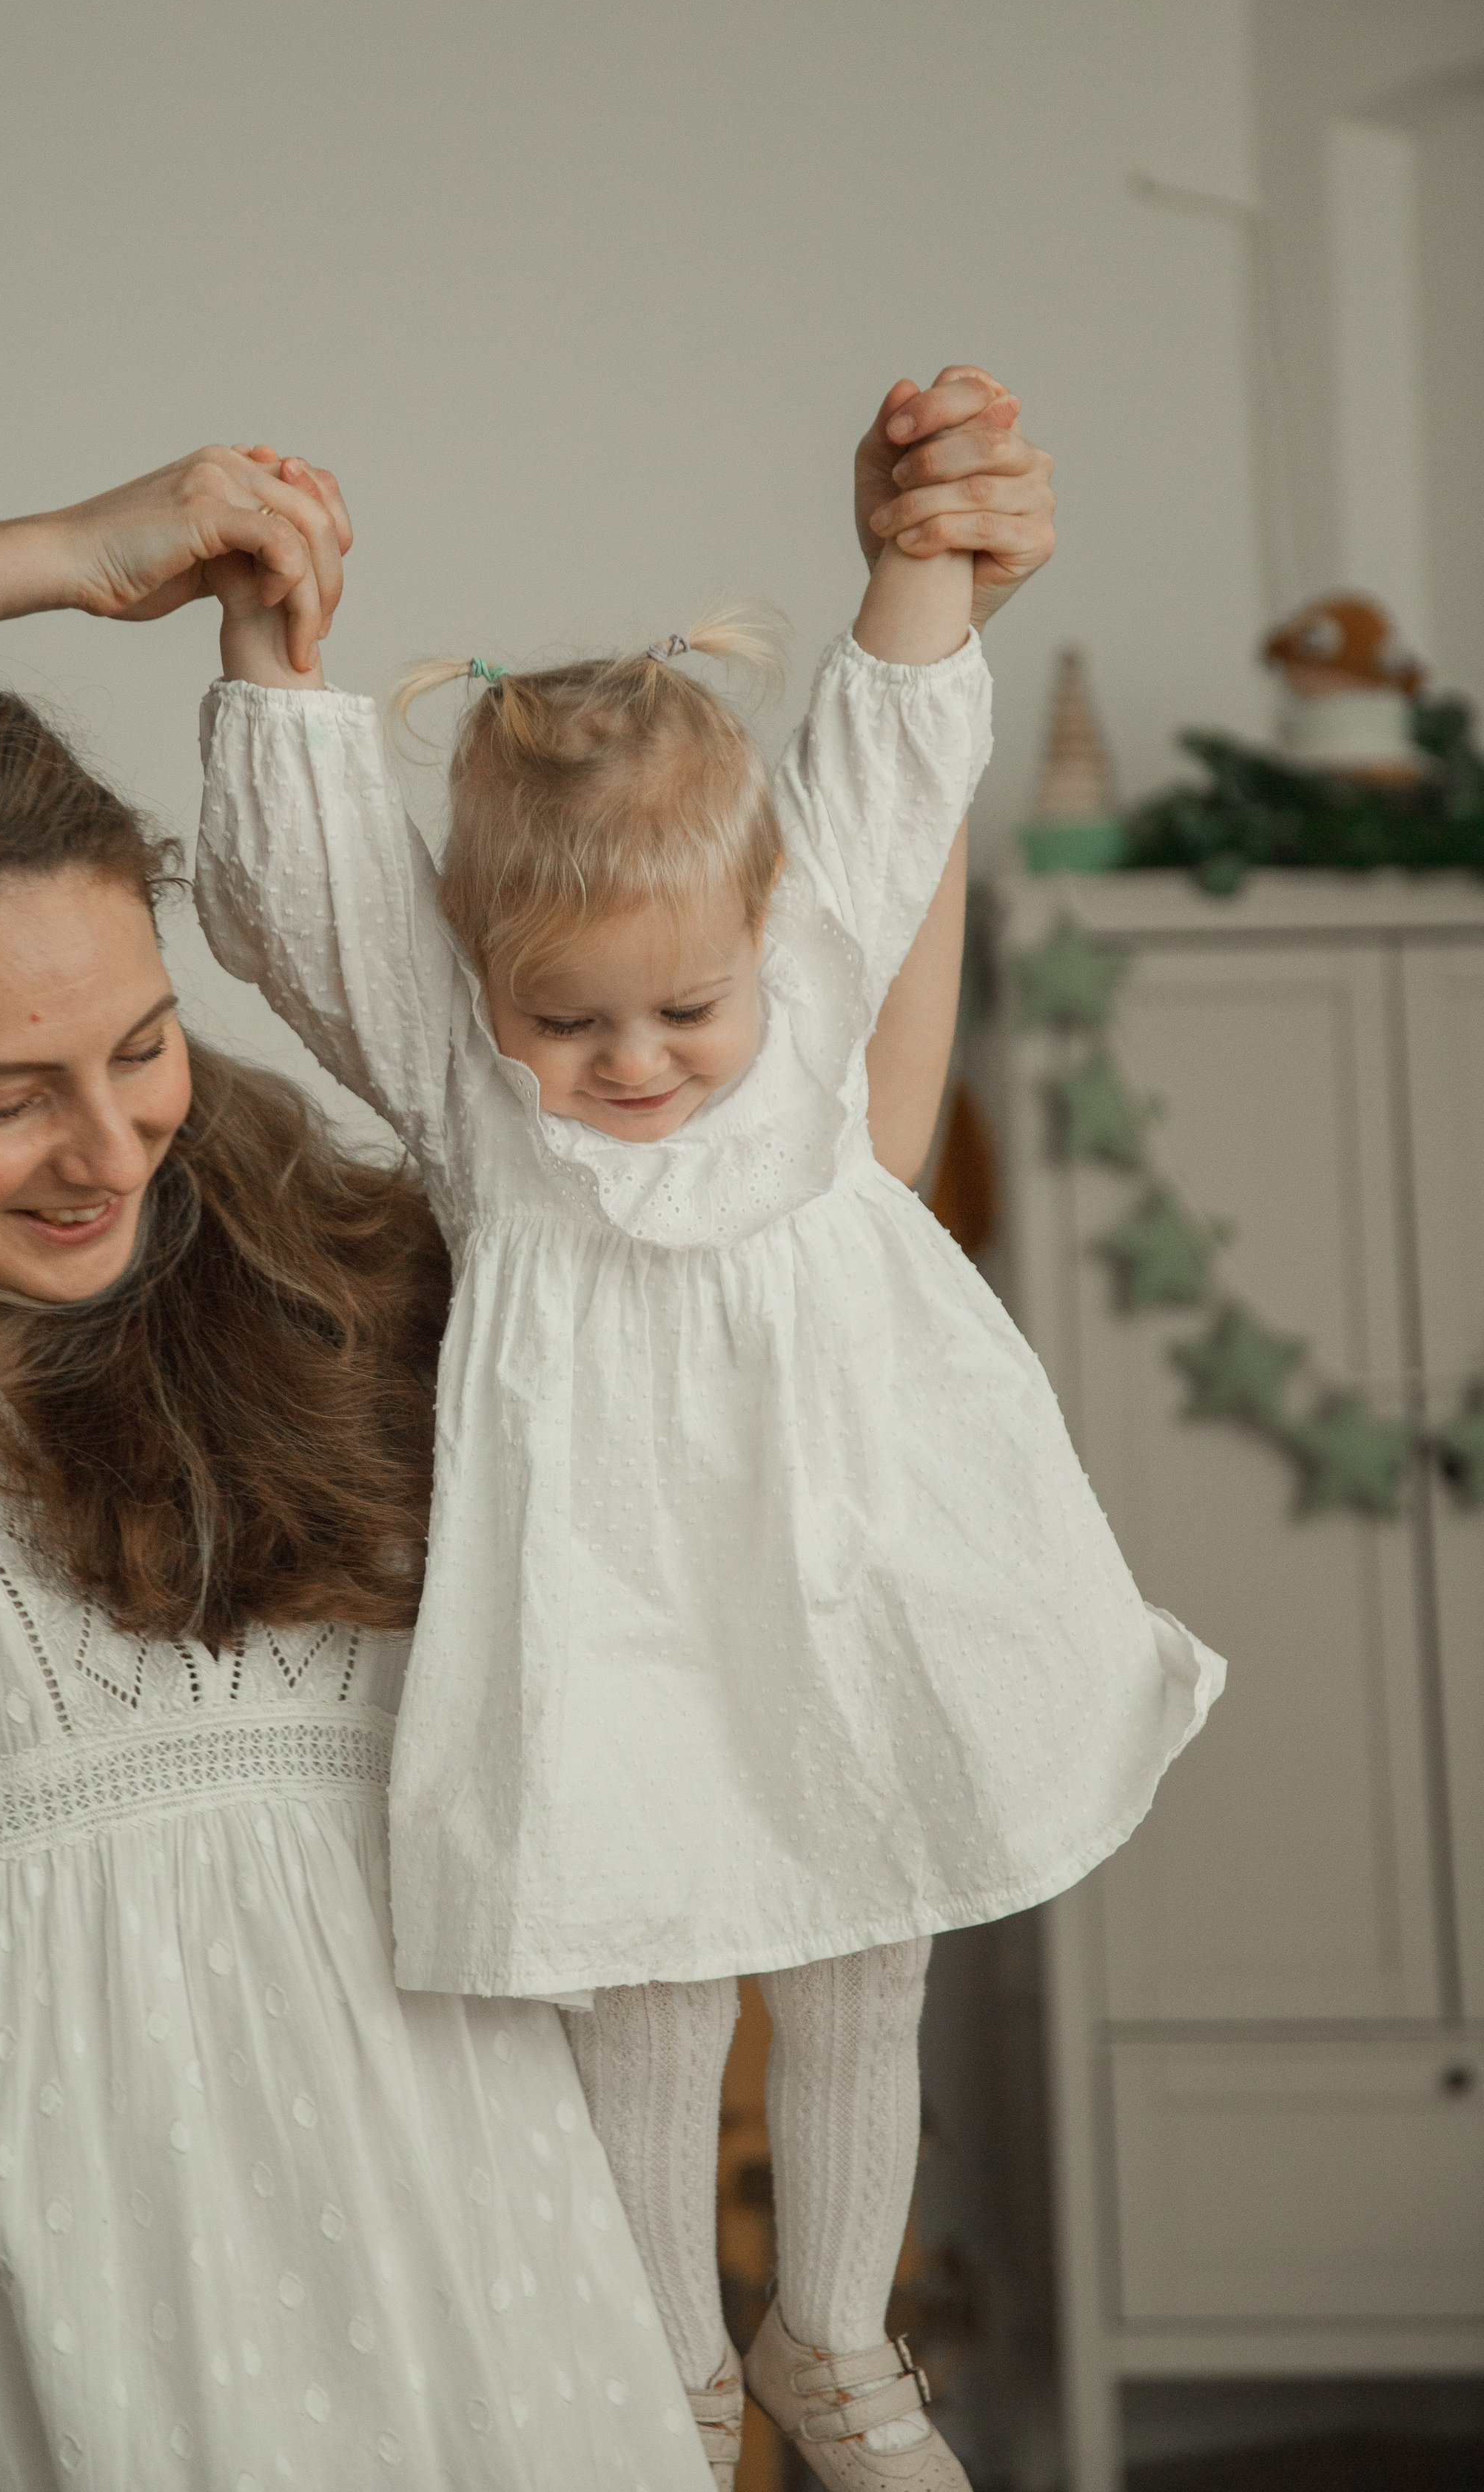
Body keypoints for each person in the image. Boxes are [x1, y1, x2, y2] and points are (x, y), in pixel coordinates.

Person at [0, 383, 1048, 2488]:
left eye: (142, 1045)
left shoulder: (347, 1277)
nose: (105, 1147)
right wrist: (18, 563)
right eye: (5, 1098)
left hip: (488, 2297)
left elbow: (824, 1189)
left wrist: (935, 621)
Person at [195, 371, 1224, 2490]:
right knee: (642, 1976)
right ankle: (666, 2374)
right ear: (481, 990)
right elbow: (304, 898)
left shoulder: (821, 949)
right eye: (565, 1021)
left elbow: (893, 736)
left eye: (685, 1011)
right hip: (616, 1598)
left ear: (766, 939)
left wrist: (918, 551)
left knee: (870, 1929)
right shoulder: (474, 1086)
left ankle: (833, 2337)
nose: (634, 1061)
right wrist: (266, 667)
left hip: (849, 1547)